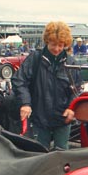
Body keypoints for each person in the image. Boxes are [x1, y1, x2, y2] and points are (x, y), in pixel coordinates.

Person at [12, 21, 77, 150]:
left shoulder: (70, 63)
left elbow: (77, 88)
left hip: (62, 118)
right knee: (39, 152)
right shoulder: (35, 58)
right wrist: (25, 103)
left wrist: (72, 107)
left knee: (62, 152)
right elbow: (19, 80)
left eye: (61, 45)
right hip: (39, 117)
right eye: (53, 44)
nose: (57, 49)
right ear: (47, 41)